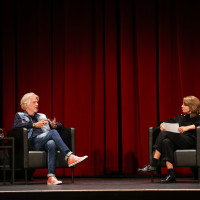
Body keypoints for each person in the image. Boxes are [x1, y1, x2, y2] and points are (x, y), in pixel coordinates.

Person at [13, 92, 88, 185]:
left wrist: (54, 124)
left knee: (51, 143)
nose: (37, 104)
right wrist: (33, 125)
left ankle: (51, 176)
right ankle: (69, 156)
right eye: (34, 102)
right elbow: (16, 126)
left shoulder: (41, 116)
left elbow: (60, 125)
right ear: (26, 104)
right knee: (52, 133)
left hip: (43, 142)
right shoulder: (20, 116)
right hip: (31, 143)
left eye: (37, 102)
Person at [138, 96, 200, 183]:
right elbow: (163, 122)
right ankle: (171, 174)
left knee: (165, 132)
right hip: (179, 141)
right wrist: (162, 125)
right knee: (166, 141)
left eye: (184, 104)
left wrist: (187, 128)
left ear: (191, 107)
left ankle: (153, 163)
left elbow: (198, 124)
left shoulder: (198, 118)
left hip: (191, 141)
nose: (181, 106)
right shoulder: (181, 117)